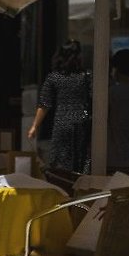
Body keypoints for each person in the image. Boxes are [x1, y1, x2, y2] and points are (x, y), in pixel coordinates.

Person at [27, 39, 92, 174]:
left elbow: (44, 104)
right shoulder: (85, 77)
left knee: (60, 161)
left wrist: (34, 126)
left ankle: (63, 187)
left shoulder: (54, 78)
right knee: (81, 158)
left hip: (62, 121)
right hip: (82, 120)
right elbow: (94, 98)